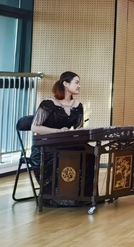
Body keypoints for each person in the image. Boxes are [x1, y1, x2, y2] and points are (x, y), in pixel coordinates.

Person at [30, 71, 92, 206]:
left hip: (65, 144)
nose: (79, 86)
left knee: (89, 153)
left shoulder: (78, 106)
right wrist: (58, 131)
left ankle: (83, 195)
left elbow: (78, 128)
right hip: (46, 147)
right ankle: (58, 195)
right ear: (65, 83)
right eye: (76, 82)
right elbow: (34, 127)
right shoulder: (48, 104)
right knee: (62, 155)